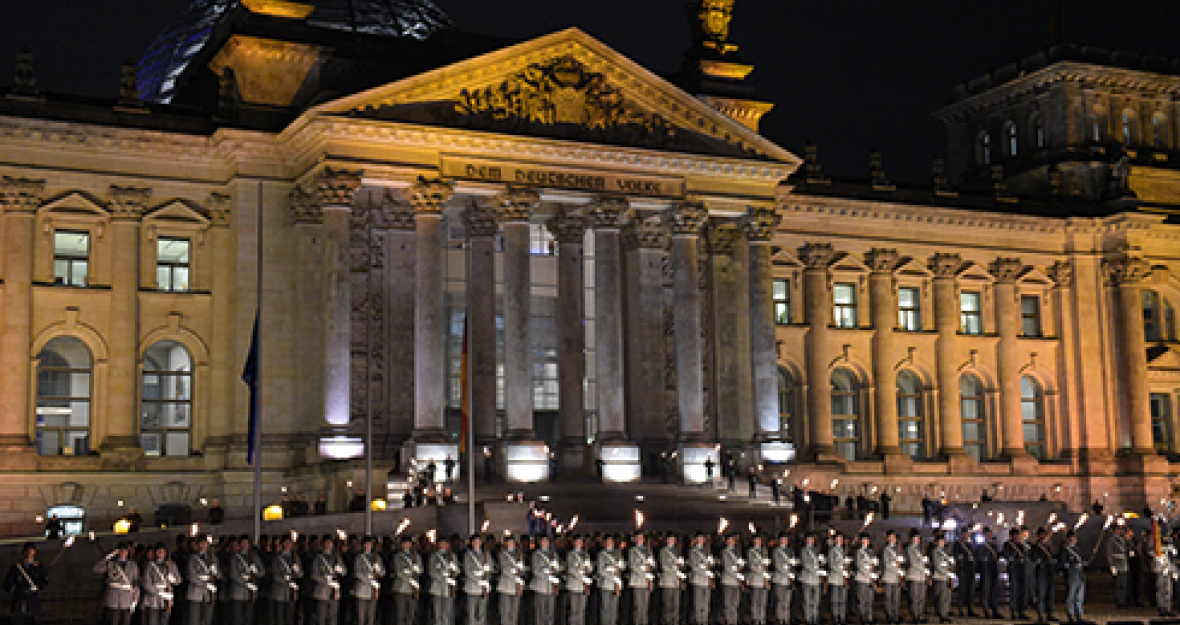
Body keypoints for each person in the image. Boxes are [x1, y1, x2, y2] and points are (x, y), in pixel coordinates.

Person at [3, 542, 49, 625]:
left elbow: (43, 582)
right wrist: (18, 591)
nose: (29, 554)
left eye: (31, 551)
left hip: (33, 601)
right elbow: (7, 584)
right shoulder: (16, 568)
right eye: (27, 551)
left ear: (34, 552)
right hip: (20, 601)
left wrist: (39, 585)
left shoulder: (38, 567)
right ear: (24, 553)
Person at [265, 534, 303, 625]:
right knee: (280, 618)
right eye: (285, 542)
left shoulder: (295, 558)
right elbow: (275, 575)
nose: (287, 545)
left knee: (290, 617)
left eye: (289, 543)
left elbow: (301, 573)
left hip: (291, 592)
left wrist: (297, 572)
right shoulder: (277, 558)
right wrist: (286, 582)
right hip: (279, 592)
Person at [140, 542, 181, 625]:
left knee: (164, 622)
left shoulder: (171, 565)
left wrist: (173, 579)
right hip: (153, 600)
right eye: (158, 551)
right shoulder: (150, 565)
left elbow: (179, 580)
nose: (160, 553)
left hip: (166, 600)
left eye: (162, 551)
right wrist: (160, 593)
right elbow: (146, 583)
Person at [185, 537, 220, 625]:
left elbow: (219, 575)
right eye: (201, 543)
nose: (203, 545)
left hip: (208, 594)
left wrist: (215, 572)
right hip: (196, 593)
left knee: (207, 620)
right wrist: (205, 584)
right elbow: (191, 576)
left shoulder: (213, 558)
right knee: (194, 620)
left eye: (205, 543)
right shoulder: (193, 558)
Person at [311, 537, 346, 625]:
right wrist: (326, 580)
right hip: (322, 592)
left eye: (330, 542)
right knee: (321, 618)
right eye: (326, 542)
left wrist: (340, 570)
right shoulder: (318, 558)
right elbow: (314, 574)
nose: (328, 544)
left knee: (333, 618)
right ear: (323, 544)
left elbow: (344, 572)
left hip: (334, 592)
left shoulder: (337, 557)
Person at [351, 536, 385, 625]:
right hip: (362, 590)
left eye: (370, 544)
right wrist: (369, 579)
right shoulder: (359, 558)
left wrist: (379, 570)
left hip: (373, 591)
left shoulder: (377, 557)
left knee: (371, 618)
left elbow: (383, 573)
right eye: (366, 544)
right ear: (363, 545)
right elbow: (357, 573)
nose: (368, 546)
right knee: (361, 619)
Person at [1057, 530, 1087, 624]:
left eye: (1074, 538)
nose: (1074, 540)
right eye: (1072, 538)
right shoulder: (1064, 550)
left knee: (1079, 597)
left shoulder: (1077, 549)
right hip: (1071, 575)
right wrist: (1073, 564)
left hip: (1080, 574)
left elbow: (1081, 560)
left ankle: (1079, 615)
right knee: (1071, 596)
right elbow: (1063, 563)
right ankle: (1071, 615)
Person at [429, 536, 459, 625]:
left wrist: (454, 570)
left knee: (447, 614)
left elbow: (457, 571)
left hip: (449, 588)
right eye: (441, 543)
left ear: (448, 545)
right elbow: (431, 571)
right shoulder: (434, 556)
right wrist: (444, 576)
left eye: (445, 543)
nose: (443, 545)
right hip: (437, 587)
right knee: (437, 614)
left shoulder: (452, 556)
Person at [392, 536, 422, 625]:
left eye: (408, 543)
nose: (407, 545)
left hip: (412, 588)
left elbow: (421, 570)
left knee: (411, 614)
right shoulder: (398, 556)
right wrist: (410, 576)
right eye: (405, 543)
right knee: (400, 614)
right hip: (401, 587)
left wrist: (416, 570)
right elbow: (398, 572)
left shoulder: (416, 556)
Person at [532, 535, 561, 625]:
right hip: (541, 586)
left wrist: (556, 568)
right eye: (543, 541)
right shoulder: (536, 554)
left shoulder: (554, 554)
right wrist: (547, 574)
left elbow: (558, 568)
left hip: (551, 587)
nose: (545, 543)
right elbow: (535, 570)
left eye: (547, 541)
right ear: (540, 542)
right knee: (540, 613)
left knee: (550, 613)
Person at [463, 535, 491, 625]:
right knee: (472, 613)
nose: (477, 544)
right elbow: (468, 571)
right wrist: (478, 580)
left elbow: (491, 568)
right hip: (472, 587)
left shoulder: (486, 555)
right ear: (472, 543)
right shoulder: (468, 555)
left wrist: (487, 571)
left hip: (484, 587)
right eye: (475, 542)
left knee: (482, 613)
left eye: (479, 542)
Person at [496, 535, 524, 625]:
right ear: (506, 543)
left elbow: (522, 569)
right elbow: (505, 569)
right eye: (510, 542)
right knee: (505, 612)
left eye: (513, 542)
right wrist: (515, 573)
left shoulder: (519, 554)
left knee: (514, 612)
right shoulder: (502, 554)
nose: (512, 544)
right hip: (506, 586)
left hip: (517, 586)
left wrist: (520, 571)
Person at [629, 532, 655, 625]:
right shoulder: (632, 550)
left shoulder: (648, 550)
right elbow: (632, 565)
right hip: (638, 581)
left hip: (647, 581)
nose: (640, 539)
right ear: (635, 539)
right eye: (638, 537)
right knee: (638, 606)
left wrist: (651, 563)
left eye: (642, 537)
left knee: (645, 606)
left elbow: (653, 565)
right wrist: (643, 570)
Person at [597, 535, 624, 625]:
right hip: (606, 584)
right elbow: (601, 570)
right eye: (607, 542)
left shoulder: (618, 552)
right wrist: (613, 577)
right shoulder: (602, 554)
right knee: (605, 608)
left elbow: (623, 567)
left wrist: (621, 564)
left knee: (614, 609)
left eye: (611, 542)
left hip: (616, 584)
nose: (609, 543)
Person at [1004, 526, 1030, 619]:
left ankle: (1021, 611)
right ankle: (1014, 612)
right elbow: (1007, 555)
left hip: (1022, 569)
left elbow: (1027, 553)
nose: (1016, 536)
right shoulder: (1008, 544)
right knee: (1014, 591)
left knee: (1022, 591)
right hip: (1013, 569)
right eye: (1014, 535)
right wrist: (1015, 557)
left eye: (1017, 535)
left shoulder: (1021, 544)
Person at [688, 532, 714, 625]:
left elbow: (712, 564)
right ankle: (699, 621)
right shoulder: (693, 551)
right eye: (699, 538)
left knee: (706, 604)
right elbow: (693, 565)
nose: (701, 540)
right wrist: (704, 568)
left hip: (707, 580)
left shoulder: (707, 550)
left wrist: (712, 562)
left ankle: (705, 621)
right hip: (698, 579)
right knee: (698, 604)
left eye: (702, 539)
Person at [975, 527, 1000, 619]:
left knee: (993, 591)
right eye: (987, 533)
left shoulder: (994, 545)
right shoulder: (981, 546)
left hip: (993, 569)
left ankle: (994, 610)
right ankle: (986, 611)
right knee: (985, 591)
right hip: (985, 570)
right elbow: (979, 558)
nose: (989, 535)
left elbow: (997, 555)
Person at [567, 535, 593, 625]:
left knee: (582, 610)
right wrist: (583, 577)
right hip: (574, 584)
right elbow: (571, 569)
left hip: (583, 586)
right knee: (574, 610)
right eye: (577, 541)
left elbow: (590, 569)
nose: (579, 543)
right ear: (574, 543)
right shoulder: (570, 554)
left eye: (580, 542)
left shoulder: (586, 554)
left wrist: (588, 565)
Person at [1030, 527, 1055, 621]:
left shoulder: (1048, 546)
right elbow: (1034, 558)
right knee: (1041, 594)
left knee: (1050, 594)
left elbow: (1052, 556)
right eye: (1041, 534)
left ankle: (1050, 614)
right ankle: (1040, 614)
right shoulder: (1035, 546)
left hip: (1049, 571)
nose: (1043, 536)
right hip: (1041, 572)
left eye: (1044, 534)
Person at [719, 533, 744, 625]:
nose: (731, 542)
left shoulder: (737, 552)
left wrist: (742, 564)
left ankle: (734, 621)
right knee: (728, 604)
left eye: (733, 540)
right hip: (728, 580)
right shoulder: (725, 552)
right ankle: (729, 621)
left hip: (736, 582)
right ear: (726, 542)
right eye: (729, 540)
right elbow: (727, 567)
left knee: (735, 604)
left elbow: (741, 564)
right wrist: (737, 573)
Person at [658, 533, 684, 625]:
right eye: (670, 539)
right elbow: (664, 566)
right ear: (667, 540)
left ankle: (675, 622)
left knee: (676, 605)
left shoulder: (678, 551)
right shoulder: (663, 551)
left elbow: (681, 565)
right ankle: (667, 622)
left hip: (677, 582)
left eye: (674, 539)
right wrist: (675, 571)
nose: (672, 540)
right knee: (667, 605)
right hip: (668, 581)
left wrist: (682, 565)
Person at [771, 531, 795, 625]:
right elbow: (778, 565)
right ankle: (780, 619)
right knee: (780, 601)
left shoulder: (790, 551)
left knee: (787, 602)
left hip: (789, 579)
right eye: (783, 539)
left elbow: (792, 563)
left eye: (786, 539)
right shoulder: (776, 551)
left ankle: (786, 619)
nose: (784, 540)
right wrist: (787, 570)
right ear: (780, 540)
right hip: (780, 579)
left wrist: (794, 564)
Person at [904, 530, 927, 624]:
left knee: (921, 598)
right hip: (913, 575)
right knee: (914, 598)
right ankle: (915, 616)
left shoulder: (920, 549)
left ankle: (920, 615)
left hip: (921, 576)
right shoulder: (910, 549)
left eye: (917, 538)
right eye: (914, 539)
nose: (916, 540)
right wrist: (922, 565)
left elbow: (925, 562)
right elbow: (914, 563)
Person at [799, 532, 823, 625]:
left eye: (812, 539)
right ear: (806, 540)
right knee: (807, 600)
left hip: (816, 579)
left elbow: (820, 562)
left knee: (816, 601)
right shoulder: (803, 550)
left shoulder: (817, 550)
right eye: (808, 539)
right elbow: (806, 564)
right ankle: (808, 619)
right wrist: (816, 570)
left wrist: (822, 561)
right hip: (807, 578)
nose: (810, 541)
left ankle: (815, 618)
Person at [929, 534, 953, 624]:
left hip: (946, 577)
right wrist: (947, 573)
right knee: (941, 598)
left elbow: (950, 563)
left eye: (943, 541)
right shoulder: (936, 551)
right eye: (940, 541)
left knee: (947, 597)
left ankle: (945, 614)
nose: (942, 543)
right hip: (940, 576)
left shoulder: (945, 551)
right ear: (937, 542)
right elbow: (937, 564)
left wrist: (951, 574)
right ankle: (942, 615)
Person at [953, 528, 977, 617]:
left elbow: (974, 555)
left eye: (968, 534)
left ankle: (970, 609)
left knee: (971, 591)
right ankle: (961, 610)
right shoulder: (958, 544)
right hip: (963, 569)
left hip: (971, 569)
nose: (967, 535)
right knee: (962, 590)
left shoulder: (971, 544)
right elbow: (957, 556)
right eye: (966, 533)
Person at [881, 530, 903, 625]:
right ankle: (890, 617)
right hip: (889, 577)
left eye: (894, 537)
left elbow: (902, 562)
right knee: (888, 598)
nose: (893, 539)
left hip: (897, 578)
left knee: (896, 599)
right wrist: (896, 566)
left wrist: (901, 567)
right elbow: (887, 564)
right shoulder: (886, 549)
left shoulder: (898, 549)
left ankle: (896, 616)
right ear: (888, 538)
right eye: (891, 537)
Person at [748, 534, 771, 625]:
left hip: (765, 580)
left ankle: (762, 619)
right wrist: (763, 571)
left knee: (763, 602)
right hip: (756, 579)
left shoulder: (765, 551)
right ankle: (755, 619)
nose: (757, 542)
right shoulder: (751, 551)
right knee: (755, 601)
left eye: (759, 540)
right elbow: (752, 565)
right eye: (756, 540)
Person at [854, 533, 876, 625]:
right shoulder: (858, 552)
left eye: (867, 540)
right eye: (863, 540)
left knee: (870, 600)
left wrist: (875, 575)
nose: (865, 541)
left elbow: (874, 564)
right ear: (861, 541)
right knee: (862, 600)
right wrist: (870, 575)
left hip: (870, 579)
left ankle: (869, 618)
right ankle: (863, 618)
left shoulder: (871, 551)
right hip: (862, 579)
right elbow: (860, 566)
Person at [828, 532, 850, 625]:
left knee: (843, 600)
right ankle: (836, 617)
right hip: (835, 578)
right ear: (835, 540)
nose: (840, 540)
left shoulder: (845, 550)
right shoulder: (832, 550)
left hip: (843, 579)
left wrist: (848, 564)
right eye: (838, 539)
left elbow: (848, 563)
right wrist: (842, 569)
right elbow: (831, 565)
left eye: (841, 539)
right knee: (835, 600)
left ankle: (842, 617)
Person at [1108, 525, 1131, 608]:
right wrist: (1111, 565)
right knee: (1118, 584)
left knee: (1124, 584)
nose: (1119, 531)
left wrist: (1128, 541)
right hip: (1117, 563)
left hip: (1124, 564)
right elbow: (1110, 553)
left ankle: (1124, 601)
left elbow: (1128, 549)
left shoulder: (1123, 539)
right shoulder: (1112, 540)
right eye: (1117, 530)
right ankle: (1119, 601)